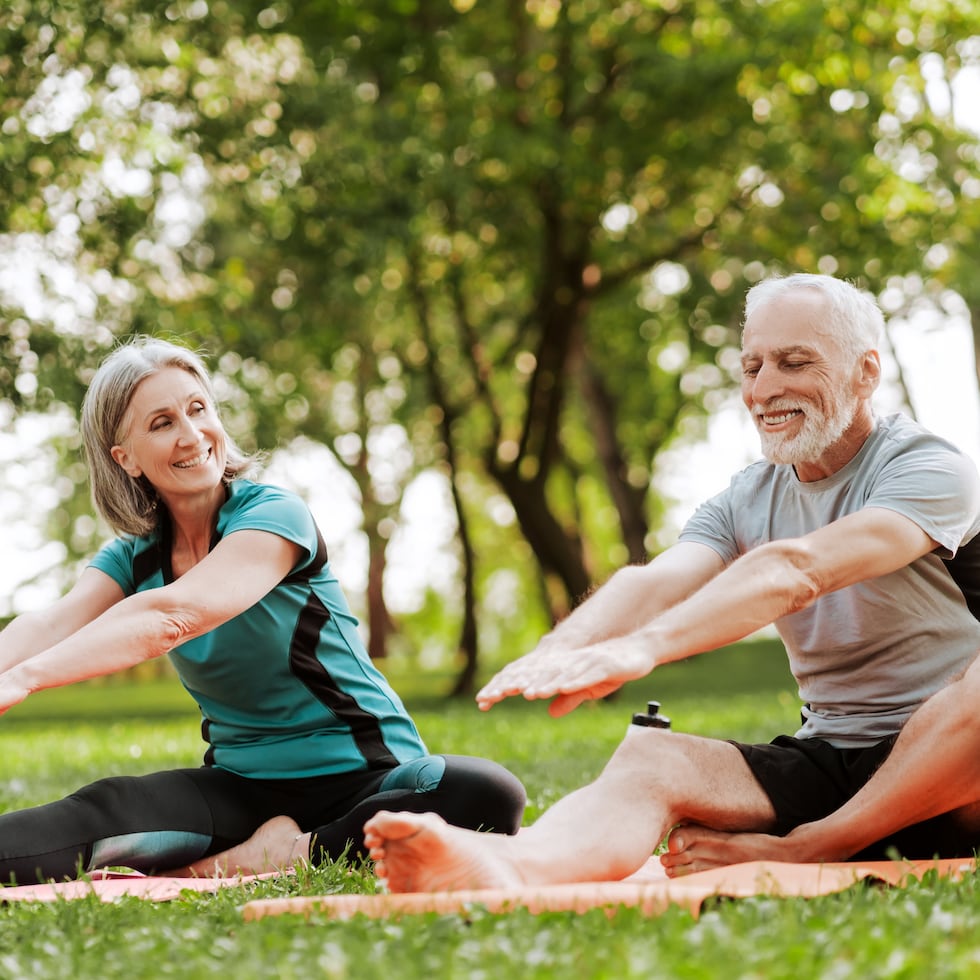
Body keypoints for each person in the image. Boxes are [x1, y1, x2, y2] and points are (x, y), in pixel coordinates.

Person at [348, 272, 980, 892]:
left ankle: (814, 846)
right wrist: (561, 650)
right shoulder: (746, 498)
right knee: (653, 758)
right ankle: (511, 866)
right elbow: (655, 581)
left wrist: (643, 648)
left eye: (794, 362)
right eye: (752, 367)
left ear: (866, 372)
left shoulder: (927, 468)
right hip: (833, 759)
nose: (766, 388)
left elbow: (797, 570)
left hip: (956, 774)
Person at [0, 337, 525, 886]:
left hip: (367, 780)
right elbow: (53, 622)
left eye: (197, 409)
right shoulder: (135, 557)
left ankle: (276, 856)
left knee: (486, 793)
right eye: (161, 423)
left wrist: (28, 678)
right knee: (102, 808)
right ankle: (247, 851)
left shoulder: (274, 514)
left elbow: (173, 616)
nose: (191, 434)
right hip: (240, 788)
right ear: (124, 458)